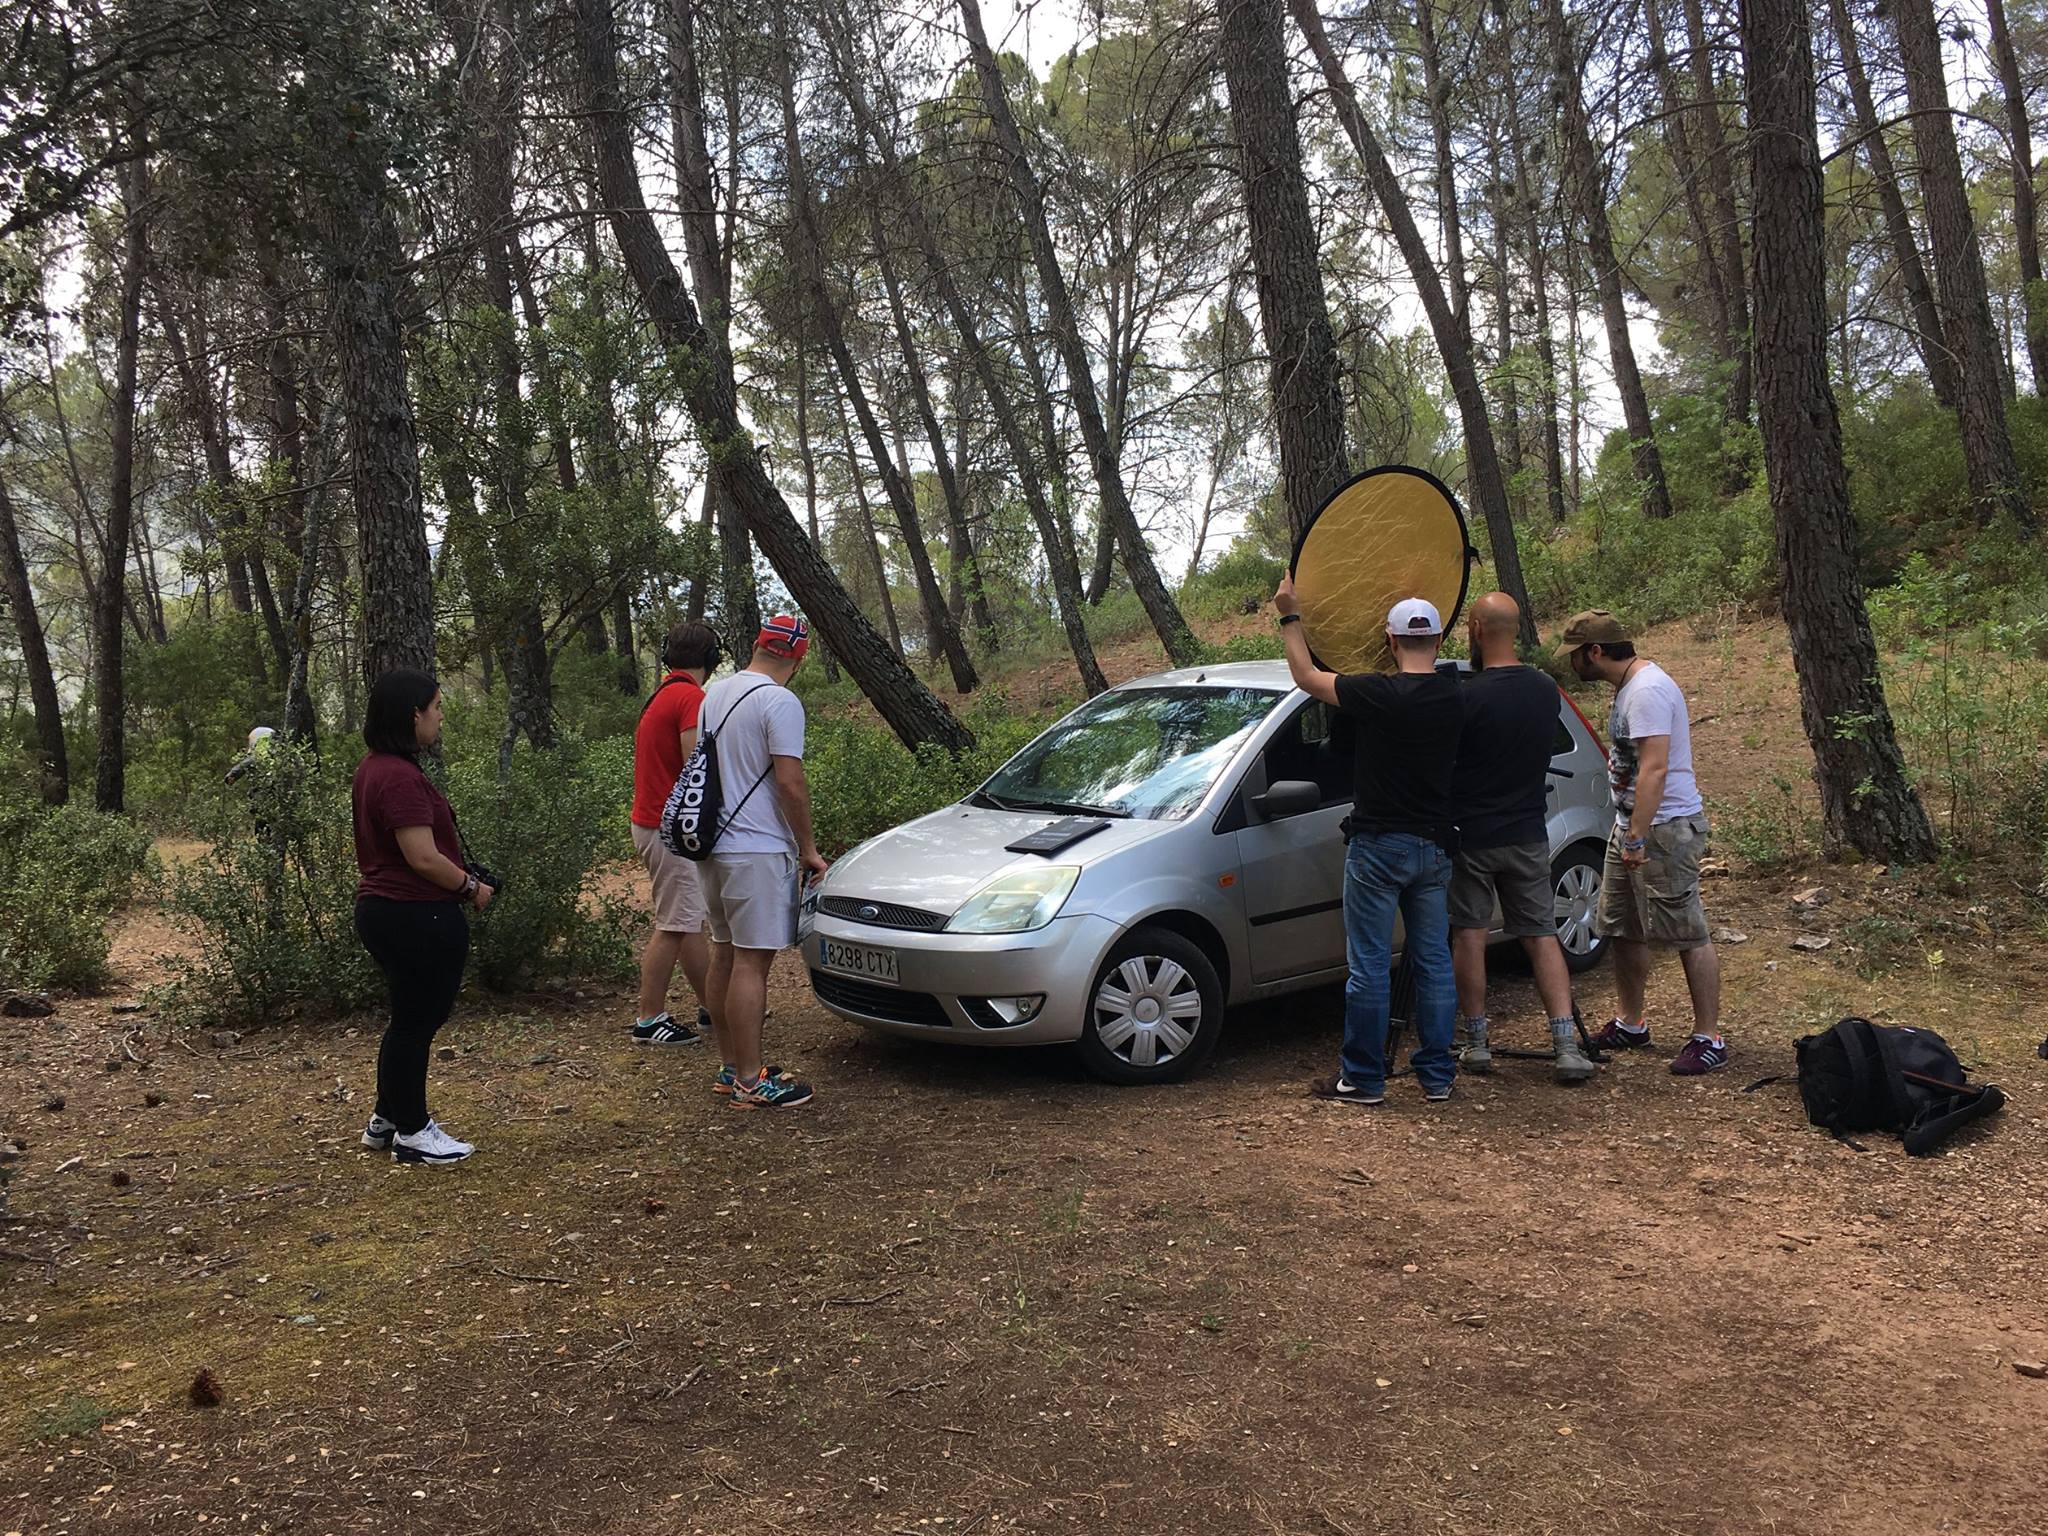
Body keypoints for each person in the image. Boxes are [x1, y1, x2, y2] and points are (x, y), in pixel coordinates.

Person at [1277, 578, 1465, 1105]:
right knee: (1432, 961)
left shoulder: (1377, 694)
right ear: (1441, 639)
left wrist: (1291, 617)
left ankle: (1362, 1077)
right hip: (1434, 849)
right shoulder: (1454, 697)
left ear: (1390, 641)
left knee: (1370, 964)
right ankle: (1436, 1075)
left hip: (1379, 847)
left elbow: (1307, 677)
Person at [1561, 611, 1727, 1075]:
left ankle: (1708, 1037)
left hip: (1663, 830)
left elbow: (1654, 768)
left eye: (1575, 654)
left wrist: (1637, 837)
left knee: (1687, 931)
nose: (1572, 664)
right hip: (1630, 826)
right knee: (1622, 926)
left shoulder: (1648, 691)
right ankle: (1631, 1023)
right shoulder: (1631, 688)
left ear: (1595, 652)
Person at [1449, 594, 1596, 1084]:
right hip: (1529, 832)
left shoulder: (1465, 696)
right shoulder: (1543, 689)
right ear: (1514, 630)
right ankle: (1565, 1045)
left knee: (1470, 933)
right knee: (1540, 934)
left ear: (1474, 628)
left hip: (1474, 835)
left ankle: (1477, 1041)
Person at [351, 668, 494, 1165]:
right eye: (436, 708)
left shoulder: (376, 767)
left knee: (406, 1020)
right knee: (415, 1024)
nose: (441, 717)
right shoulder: (397, 777)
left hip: (389, 910)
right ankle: (413, 1132)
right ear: (414, 715)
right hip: (414, 915)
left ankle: (387, 1118)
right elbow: (422, 857)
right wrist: (470, 887)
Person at [695, 615, 829, 1109]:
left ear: (756, 644)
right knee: (753, 962)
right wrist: (808, 849)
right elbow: (789, 782)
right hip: (757, 847)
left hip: (711, 846)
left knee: (724, 953)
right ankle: (752, 1082)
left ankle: (731, 1068)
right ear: (800, 657)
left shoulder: (715, 695)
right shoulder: (780, 701)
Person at [628, 621, 721, 1047]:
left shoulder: (665, 693)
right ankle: (649, 1017)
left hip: (655, 824)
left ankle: (712, 1006)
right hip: (671, 829)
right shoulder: (689, 698)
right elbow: (695, 767)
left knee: (687, 921)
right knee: (672, 923)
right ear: (711, 659)